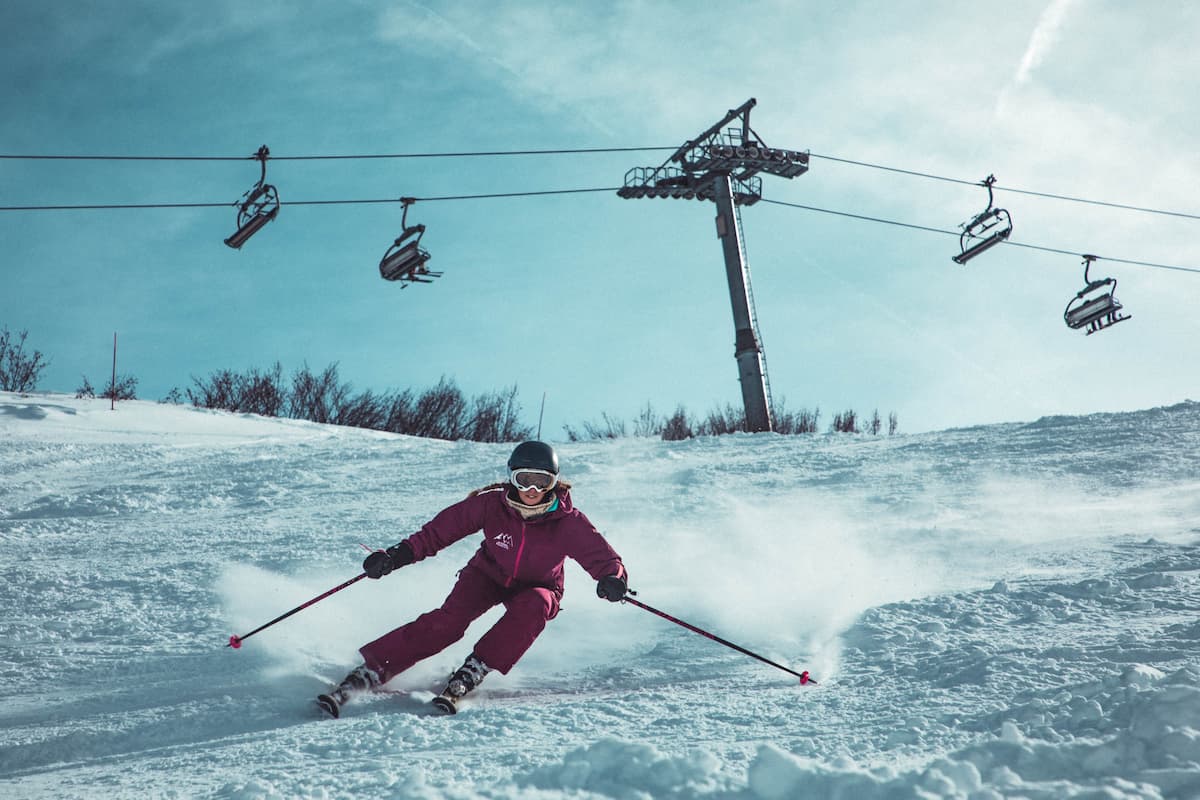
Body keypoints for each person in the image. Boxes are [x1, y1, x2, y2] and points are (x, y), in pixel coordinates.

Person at [317, 440, 628, 716]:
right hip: (487, 574)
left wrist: (612, 578)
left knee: (536, 605)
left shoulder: (567, 522)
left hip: (540, 585)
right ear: (512, 478)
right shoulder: (491, 505)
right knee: (448, 622)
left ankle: (475, 668)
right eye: (524, 480)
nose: (532, 490)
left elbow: (602, 557)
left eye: (541, 482)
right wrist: (396, 556)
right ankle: (374, 669)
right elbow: (438, 532)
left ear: (554, 483)